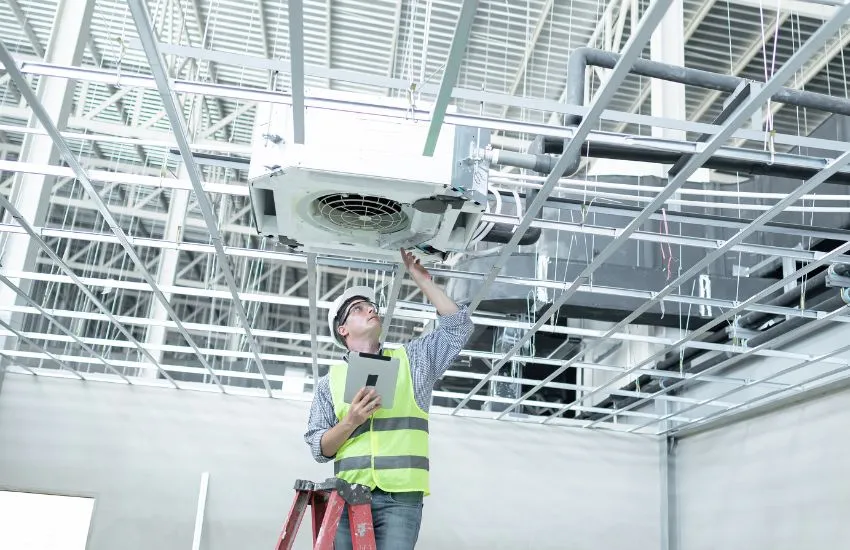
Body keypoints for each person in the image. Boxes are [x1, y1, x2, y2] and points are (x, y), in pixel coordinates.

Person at [303, 248, 474, 549]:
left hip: (401, 500)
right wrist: (351, 422)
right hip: (347, 494)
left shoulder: (414, 361)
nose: (370, 309)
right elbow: (320, 448)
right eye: (358, 308)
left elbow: (458, 328)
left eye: (370, 306)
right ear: (342, 330)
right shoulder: (329, 382)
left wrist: (423, 280)